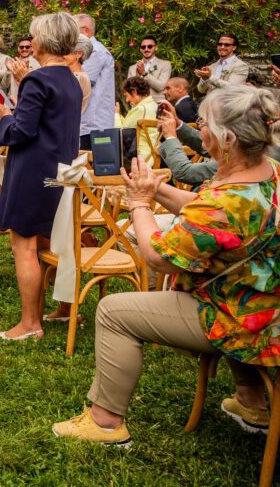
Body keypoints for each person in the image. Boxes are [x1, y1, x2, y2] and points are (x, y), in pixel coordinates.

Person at [53, 85, 280, 447]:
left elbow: (158, 256)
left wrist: (140, 204)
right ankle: (251, 403)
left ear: (227, 137)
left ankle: (105, 422)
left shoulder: (226, 202)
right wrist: (154, 189)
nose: (198, 128)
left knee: (114, 312)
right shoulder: (269, 173)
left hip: (237, 317)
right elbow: (204, 207)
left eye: (203, 123)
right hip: (266, 304)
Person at [0, 12, 83, 340]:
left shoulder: (38, 80)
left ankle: (30, 324)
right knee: (50, 240)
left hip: (33, 171)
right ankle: (66, 311)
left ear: (44, 42)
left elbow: (22, 131)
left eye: (34, 36)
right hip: (60, 171)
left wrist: (4, 117)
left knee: (24, 244)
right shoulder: (71, 79)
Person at [75, 13, 115, 151]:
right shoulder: (87, 50)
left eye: (73, 30)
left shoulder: (95, 51)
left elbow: (80, 82)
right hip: (86, 125)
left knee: (95, 170)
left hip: (94, 125)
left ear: (85, 31)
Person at [120, 76, 159, 165]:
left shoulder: (141, 109)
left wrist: (116, 116)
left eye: (127, 95)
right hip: (155, 156)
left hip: (140, 159)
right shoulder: (154, 106)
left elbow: (122, 133)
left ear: (134, 91)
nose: (127, 100)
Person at [126, 36, 170, 102]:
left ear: (156, 48)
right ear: (140, 49)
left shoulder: (165, 64)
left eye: (150, 46)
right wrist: (137, 77)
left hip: (156, 107)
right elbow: (129, 89)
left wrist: (144, 73)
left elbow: (161, 87)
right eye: (143, 47)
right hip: (137, 106)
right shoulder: (132, 68)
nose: (146, 49)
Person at [64, 35, 93, 113]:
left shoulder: (80, 77)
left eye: (66, 51)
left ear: (79, 54)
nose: (62, 55)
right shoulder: (69, 73)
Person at [9, 35, 41, 102]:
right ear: (18, 48)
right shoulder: (13, 62)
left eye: (27, 47)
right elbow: (5, 84)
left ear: (32, 48)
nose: (24, 49)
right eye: (21, 47)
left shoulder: (38, 64)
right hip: (13, 100)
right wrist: (8, 70)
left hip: (30, 100)